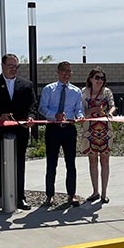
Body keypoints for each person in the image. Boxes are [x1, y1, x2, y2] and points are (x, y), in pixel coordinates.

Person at [0, 53, 37, 212]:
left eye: (16, 66)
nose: (14, 69)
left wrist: (30, 118)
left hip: (20, 131)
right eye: (10, 66)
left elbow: (32, 106)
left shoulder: (26, 85)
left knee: (19, 165)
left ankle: (20, 198)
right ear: (2, 66)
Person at [38, 61, 84, 207]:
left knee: (71, 163)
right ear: (57, 73)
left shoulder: (76, 91)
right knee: (51, 164)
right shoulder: (48, 89)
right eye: (64, 71)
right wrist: (53, 115)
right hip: (53, 129)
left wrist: (80, 116)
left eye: (69, 71)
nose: (67, 74)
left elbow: (79, 109)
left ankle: (71, 195)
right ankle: (49, 195)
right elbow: (42, 108)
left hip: (69, 129)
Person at [79, 67, 116, 204]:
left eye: (102, 78)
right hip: (89, 130)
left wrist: (110, 112)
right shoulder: (84, 92)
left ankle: (104, 193)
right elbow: (81, 111)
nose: (100, 80)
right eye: (97, 77)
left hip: (105, 130)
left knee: (105, 161)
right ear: (91, 79)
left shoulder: (107, 92)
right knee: (92, 161)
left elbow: (112, 105)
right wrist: (94, 110)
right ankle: (95, 191)